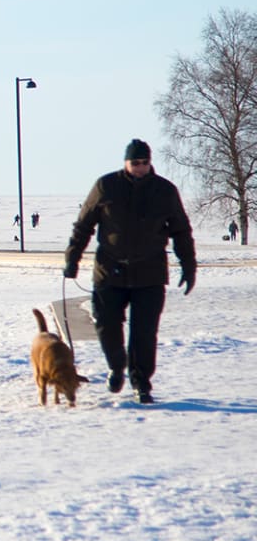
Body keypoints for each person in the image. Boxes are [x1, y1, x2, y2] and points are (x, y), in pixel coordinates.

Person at [65, 139, 196, 404]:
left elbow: (181, 231)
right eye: (135, 163)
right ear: (126, 163)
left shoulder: (165, 191)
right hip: (109, 271)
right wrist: (72, 259)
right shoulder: (106, 186)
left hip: (150, 273)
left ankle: (141, 383)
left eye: (144, 163)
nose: (140, 167)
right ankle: (116, 365)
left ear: (150, 163)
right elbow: (83, 226)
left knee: (144, 333)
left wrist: (189, 265)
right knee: (106, 322)